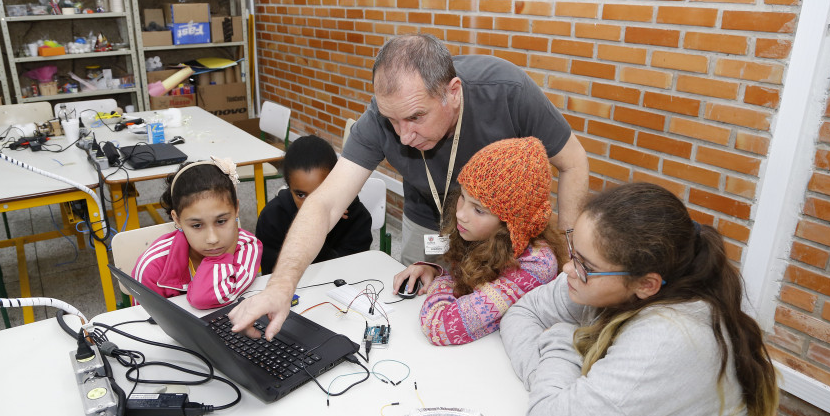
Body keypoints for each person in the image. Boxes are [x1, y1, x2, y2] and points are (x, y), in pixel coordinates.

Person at [232, 33, 588, 340]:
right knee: (412, 301)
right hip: (427, 218)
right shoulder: (378, 119)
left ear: (453, 92)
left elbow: (574, 162)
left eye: (417, 117)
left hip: (500, 231)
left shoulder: (506, 90)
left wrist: (571, 253)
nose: (404, 135)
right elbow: (323, 203)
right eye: (392, 119)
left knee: (499, 317)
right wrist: (280, 287)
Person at [500, 182, 779, 416]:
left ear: (646, 285)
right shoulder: (593, 279)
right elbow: (523, 313)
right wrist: (551, 387)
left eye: (585, 265)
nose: (568, 268)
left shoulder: (671, 337)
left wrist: (563, 341)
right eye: (573, 252)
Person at [393, 138, 564, 346]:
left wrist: (443, 282)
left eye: (479, 210)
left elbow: (440, 327)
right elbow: (470, 289)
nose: (461, 214)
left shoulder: (535, 265)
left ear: (511, 224)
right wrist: (435, 271)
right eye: (463, 196)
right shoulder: (483, 234)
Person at [132, 157, 262, 309]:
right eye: (197, 225)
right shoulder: (151, 267)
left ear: (236, 209)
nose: (212, 239)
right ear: (177, 219)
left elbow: (209, 296)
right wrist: (221, 257)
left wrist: (218, 259)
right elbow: (145, 325)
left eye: (221, 221)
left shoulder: (247, 245)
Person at [256, 135, 372, 273]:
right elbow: (272, 275)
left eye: (319, 192)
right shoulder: (272, 217)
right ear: (288, 186)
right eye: (301, 195)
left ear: (335, 181)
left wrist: (323, 227)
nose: (310, 205)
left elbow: (350, 274)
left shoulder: (356, 217)